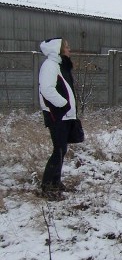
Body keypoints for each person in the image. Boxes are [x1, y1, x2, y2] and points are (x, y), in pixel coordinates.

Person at [38, 37, 78, 199]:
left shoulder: (60, 65)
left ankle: (56, 182)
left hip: (64, 114)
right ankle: (47, 187)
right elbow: (47, 90)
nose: (70, 49)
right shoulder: (49, 66)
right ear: (58, 49)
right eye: (67, 47)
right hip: (56, 113)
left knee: (62, 150)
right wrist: (63, 104)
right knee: (58, 150)